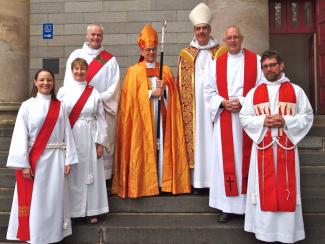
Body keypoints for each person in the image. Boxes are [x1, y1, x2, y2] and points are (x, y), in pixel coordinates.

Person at [240, 50, 313, 243]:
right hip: (263, 146)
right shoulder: (254, 92)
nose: (269, 69)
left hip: (286, 146)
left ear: (281, 66)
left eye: (272, 65)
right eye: (265, 66)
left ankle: (287, 234)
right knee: (264, 190)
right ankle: (264, 233)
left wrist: (285, 120)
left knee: (285, 188)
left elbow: (307, 116)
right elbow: (244, 118)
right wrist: (264, 120)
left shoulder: (296, 90)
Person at [111, 24, 191, 198]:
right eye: (148, 50)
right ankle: (143, 183)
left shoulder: (166, 69)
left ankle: (162, 182)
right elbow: (129, 100)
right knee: (142, 148)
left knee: (162, 146)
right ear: (142, 50)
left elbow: (174, 99)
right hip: (141, 120)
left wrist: (167, 89)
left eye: (154, 50)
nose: (151, 53)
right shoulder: (133, 72)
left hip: (161, 116)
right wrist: (150, 93)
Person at [6, 69, 78, 243]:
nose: (46, 83)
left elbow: (67, 133)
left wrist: (69, 158)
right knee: (36, 200)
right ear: (35, 82)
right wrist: (23, 164)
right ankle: (35, 235)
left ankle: (52, 235)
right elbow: (20, 135)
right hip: (35, 160)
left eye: (49, 80)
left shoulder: (60, 106)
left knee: (53, 199)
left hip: (56, 160)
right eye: (42, 80)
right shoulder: (27, 105)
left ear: (53, 83)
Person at [204, 25, 262, 222]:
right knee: (225, 163)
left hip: (248, 120)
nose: (232, 41)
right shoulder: (216, 64)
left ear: (242, 38)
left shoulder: (256, 60)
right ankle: (226, 207)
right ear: (224, 40)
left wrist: (244, 102)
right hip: (225, 120)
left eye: (236, 37)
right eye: (229, 38)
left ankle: (249, 206)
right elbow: (208, 91)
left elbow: (262, 89)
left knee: (247, 161)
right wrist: (222, 102)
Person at [177, 2, 227, 194]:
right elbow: (181, 82)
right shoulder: (186, 54)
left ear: (210, 29)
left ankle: (216, 181)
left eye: (205, 28)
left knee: (215, 142)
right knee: (197, 142)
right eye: (198, 29)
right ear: (194, 30)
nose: (201, 32)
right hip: (194, 109)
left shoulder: (221, 52)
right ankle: (198, 183)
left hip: (216, 106)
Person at [64, 23, 120, 181]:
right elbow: (69, 83)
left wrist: (94, 99)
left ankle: (102, 184)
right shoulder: (76, 55)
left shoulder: (110, 60)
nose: (95, 37)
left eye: (98, 35)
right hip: (77, 113)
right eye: (92, 34)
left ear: (102, 37)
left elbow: (114, 88)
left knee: (98, 150)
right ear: (87, 36)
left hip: (100, 109)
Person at [58, 58, 109, 224]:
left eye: (82, 70)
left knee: (90, 174)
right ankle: (72, 211)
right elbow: (57, 118)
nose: (79, 72)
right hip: (70, 135)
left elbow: (101, 118)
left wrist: (100, 142)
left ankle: (91, 210)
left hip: (89, 135)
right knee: (72, 173)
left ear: (87, 72)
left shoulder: (93, 92)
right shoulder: (63, 91)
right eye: (76, 69)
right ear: (71, 71)